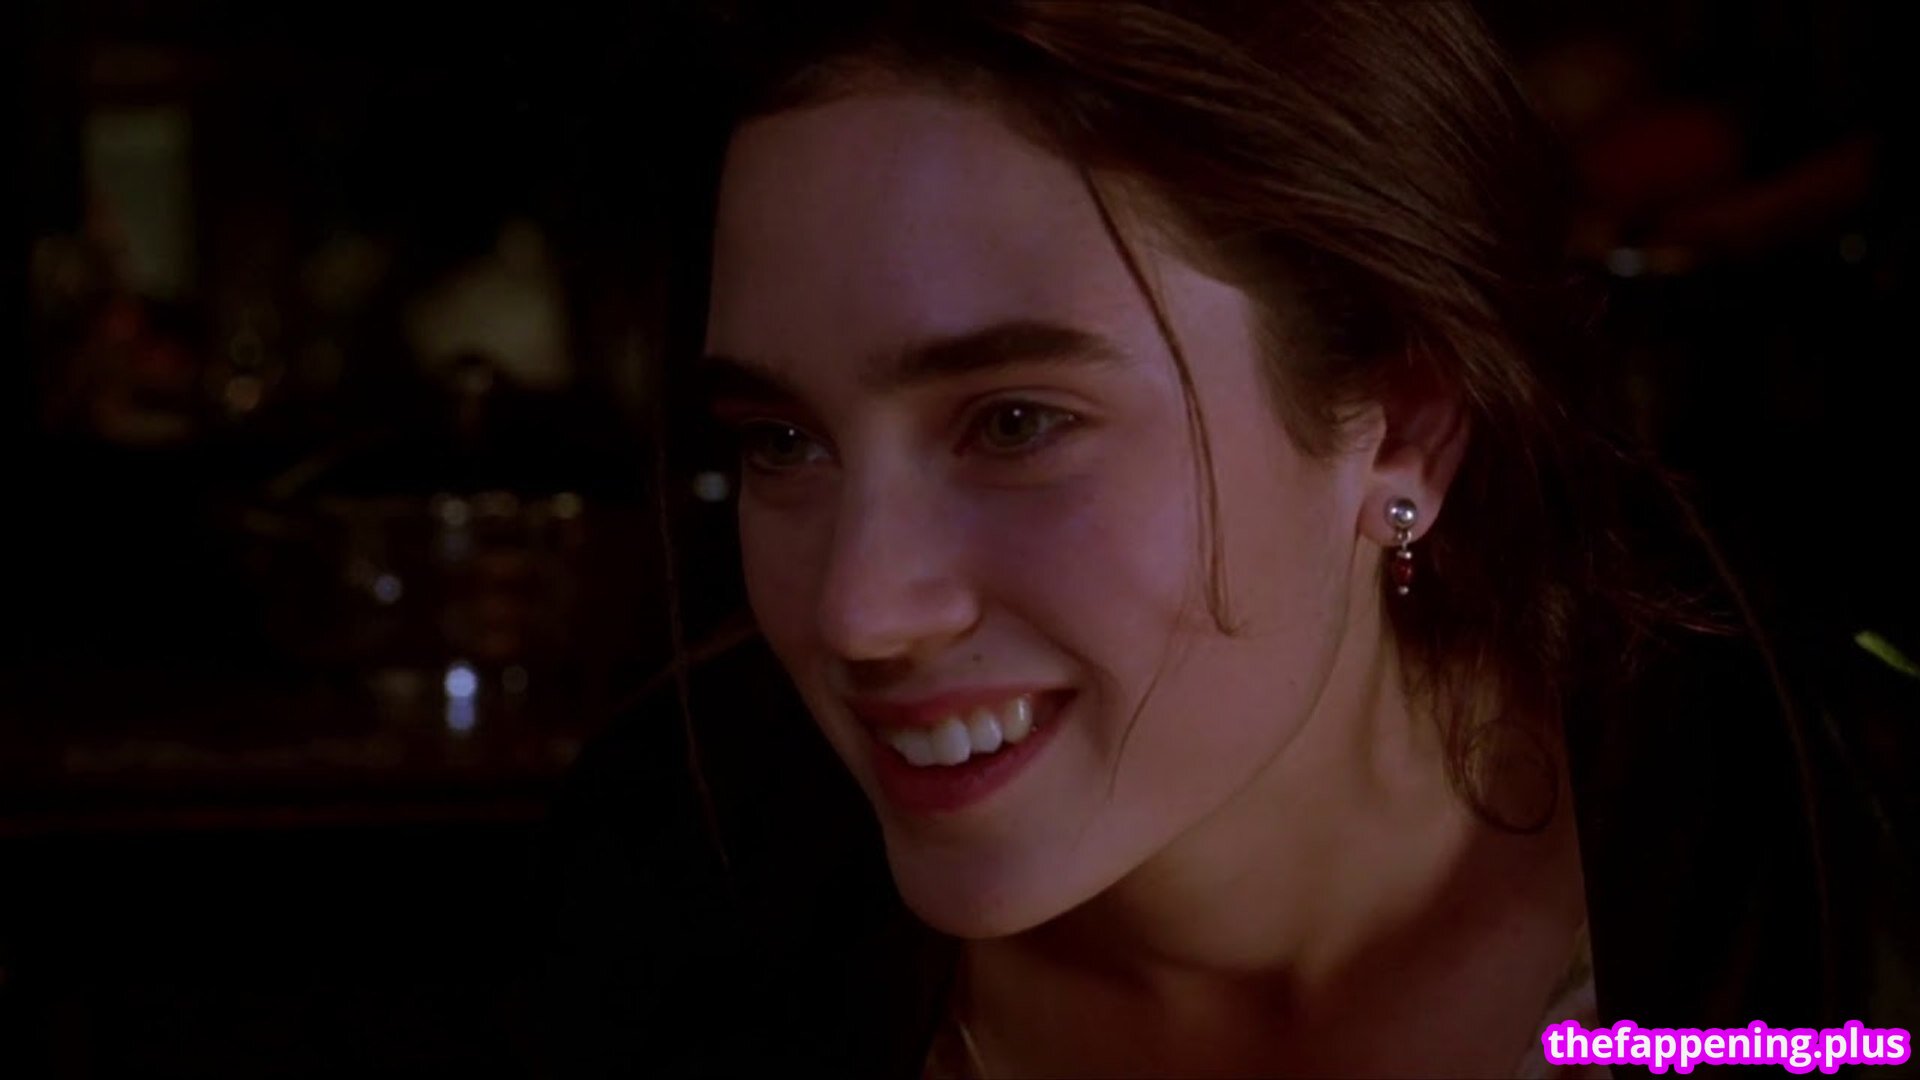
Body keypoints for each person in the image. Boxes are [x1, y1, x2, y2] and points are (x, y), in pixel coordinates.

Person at [544, 2, 1917, 1076]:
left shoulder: (1836, 893)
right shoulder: (669, 903)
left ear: (1400, 430)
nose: (859, 609)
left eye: (1015, 423)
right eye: (783, 442)